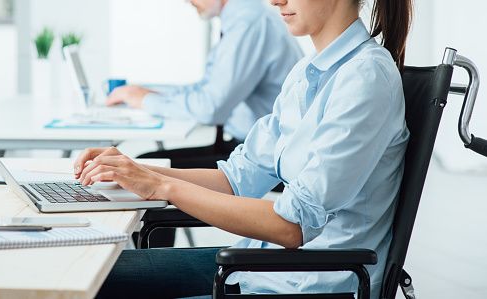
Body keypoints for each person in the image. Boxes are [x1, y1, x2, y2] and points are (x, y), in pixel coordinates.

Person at [75, 0, 412, 297]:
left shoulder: (365, 78)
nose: (275, 1)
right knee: (95, 273)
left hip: (310, 282)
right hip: (264, 268)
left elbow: (291, 227)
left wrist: (162, 186)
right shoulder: (308, 72)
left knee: (98, 281)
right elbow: (236, 179)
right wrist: (136, 170)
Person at [106, 0, 303, 169]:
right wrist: (149, 94)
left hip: (266, 155)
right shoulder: (243, 18)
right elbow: (208, 88)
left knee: (145, 165)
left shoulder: (249, 23)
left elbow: (210, 108)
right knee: (146, 164)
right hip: (252, 146)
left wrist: (147, 100)